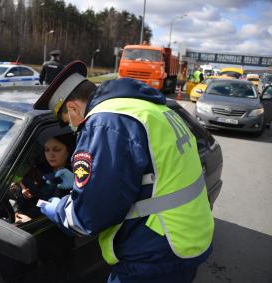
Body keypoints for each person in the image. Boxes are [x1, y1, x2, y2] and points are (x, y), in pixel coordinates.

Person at [34, 60, 214, 283]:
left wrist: (57, 209)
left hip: (155, 251)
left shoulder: (106, 122)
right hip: (187, 235)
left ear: (72, 107)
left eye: (66, 121)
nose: (72, 126)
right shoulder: (149, 108)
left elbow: (89, 216)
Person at [10, 134, 75, 224]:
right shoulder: (37, 171)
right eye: (46, 150)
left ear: (68, 150)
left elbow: (70, 217)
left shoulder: (77, 177)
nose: (50, 154)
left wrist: (33, 223)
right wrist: (17, 213)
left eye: (56, 150)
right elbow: (20, 196)